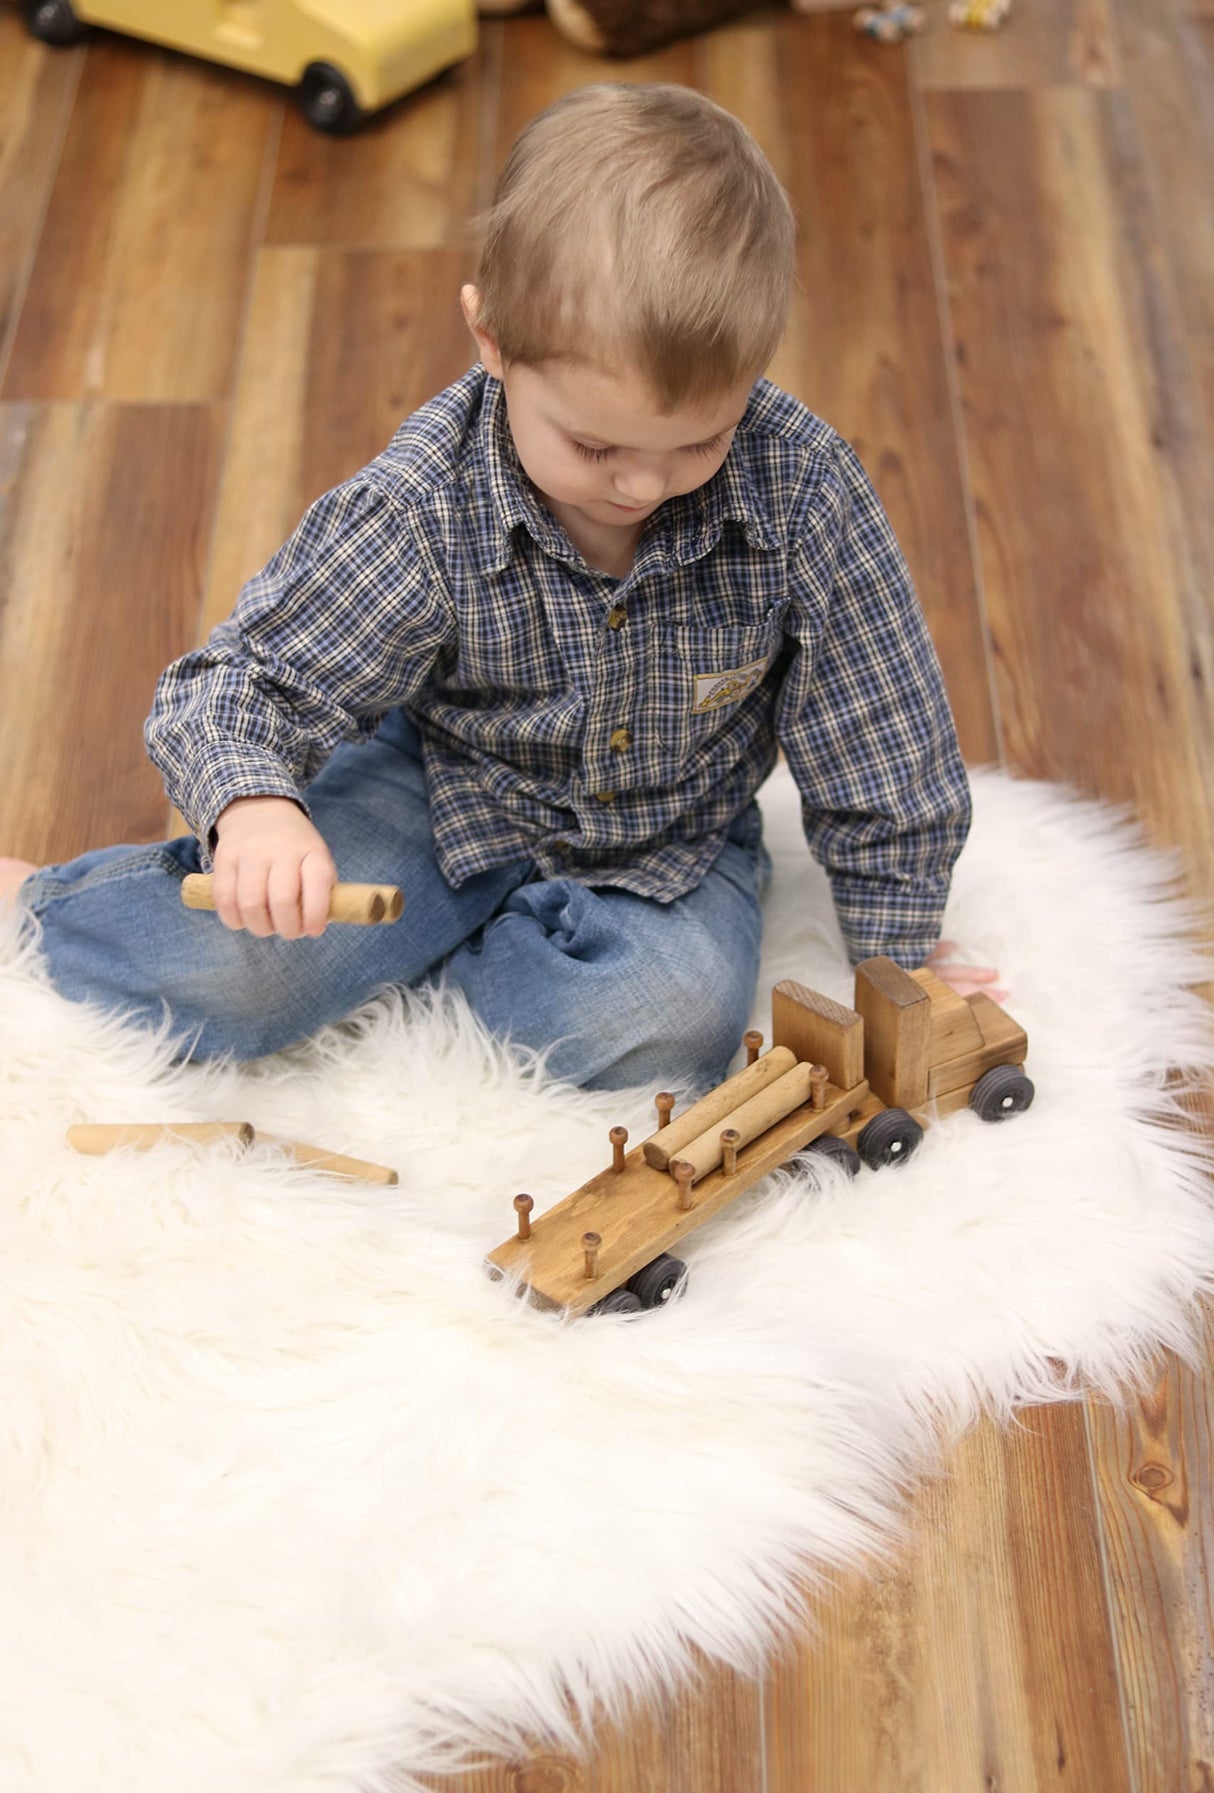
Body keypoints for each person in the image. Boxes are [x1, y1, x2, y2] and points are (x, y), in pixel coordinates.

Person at [0, 82, 999, 1093]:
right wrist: (256, 808)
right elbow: (243, 680)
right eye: (595, 444)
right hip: (440, 786)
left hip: (669, 833)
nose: (642, 485)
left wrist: (898, 948)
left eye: (699, 440)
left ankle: (437, 954)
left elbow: (882, 736)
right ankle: (51, 903)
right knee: (226, 975)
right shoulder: (425, 503)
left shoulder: (804, 490)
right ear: (491, 342)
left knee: (661, 1031)